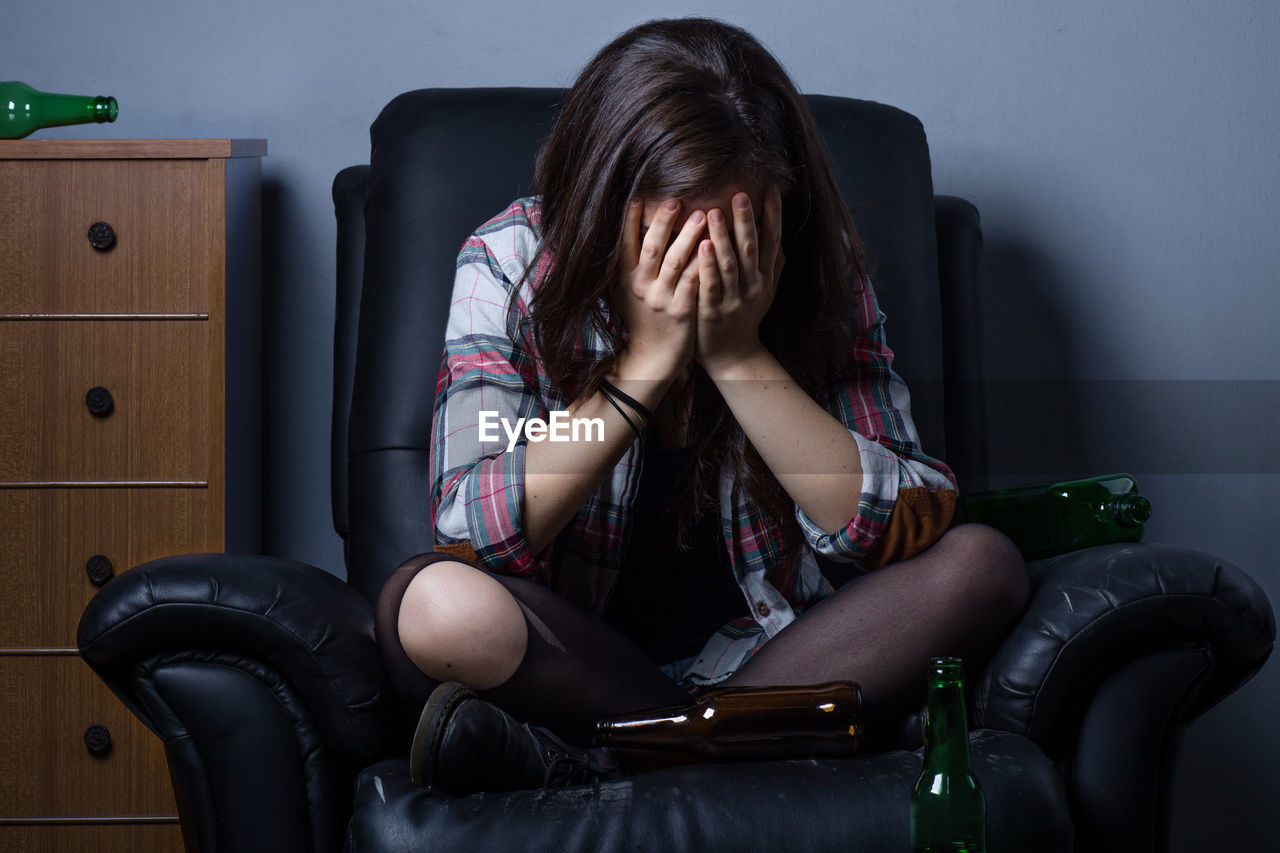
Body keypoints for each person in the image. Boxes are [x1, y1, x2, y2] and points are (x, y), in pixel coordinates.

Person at [374, 16, 1029, 796]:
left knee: (980, 565)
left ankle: (621, 759)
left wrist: (738, 353)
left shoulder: (818, 270)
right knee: (437, 606)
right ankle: (736, 750)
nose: (705, 268)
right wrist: (643, 368)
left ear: (780, 208)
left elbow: (906, 520)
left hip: (776, 654)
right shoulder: (512, 261)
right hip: (574, 661)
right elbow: (473, 532)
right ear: (600, 204)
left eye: (736, 234)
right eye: (673, 238)